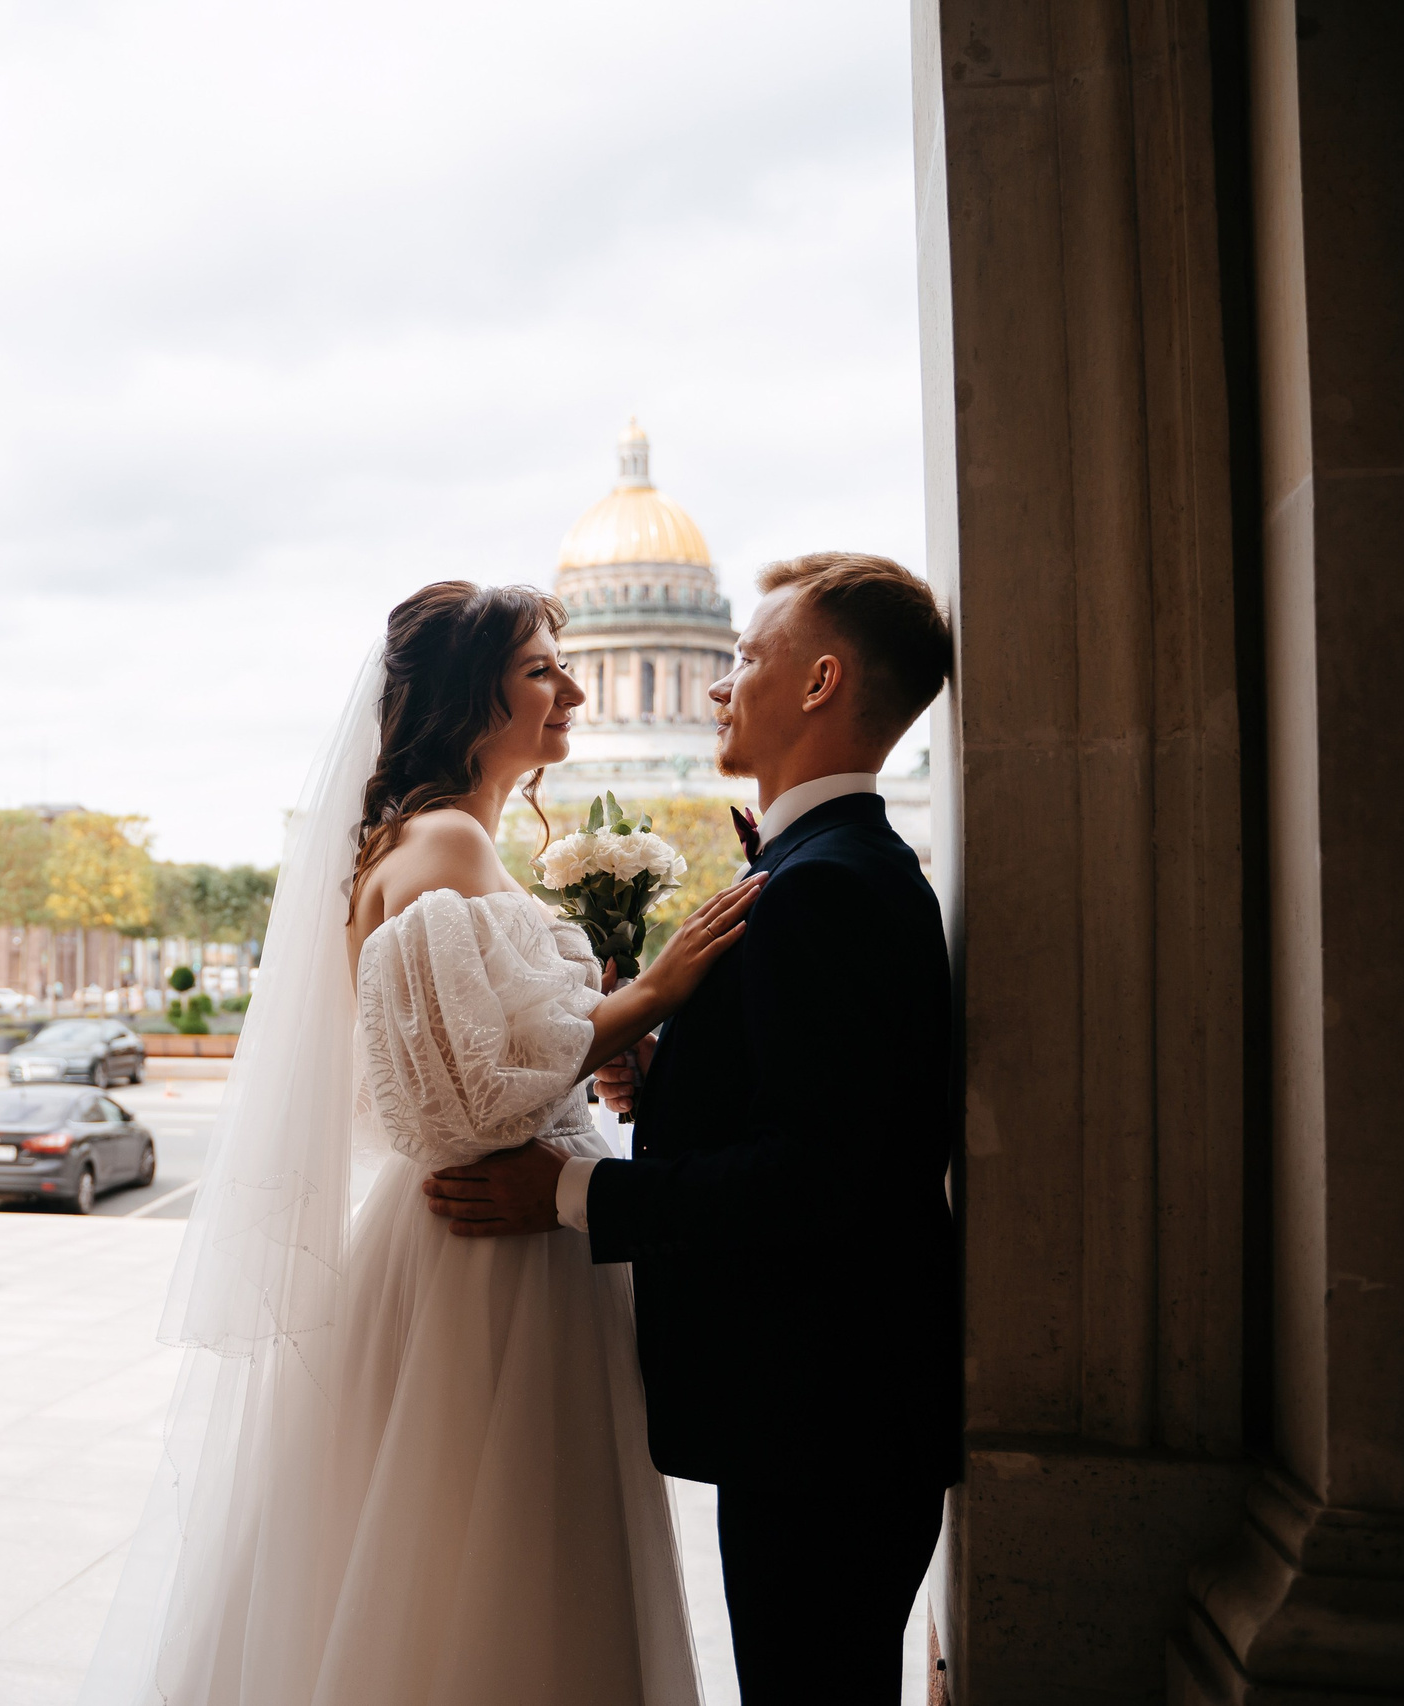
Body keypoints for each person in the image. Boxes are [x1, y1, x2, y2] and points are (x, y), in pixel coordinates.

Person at [82, 583, 762, 1706]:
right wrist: (656, 988)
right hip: (495, 1247)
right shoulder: (445, 840)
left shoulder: (436, 836)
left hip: (473, 1233)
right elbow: (473, 1104)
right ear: (466, 695)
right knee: (508, 1563)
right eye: (544, 668)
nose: (575, 689)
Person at [423, 552, 960, 1702]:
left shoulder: (824, 885)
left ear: (819, 683)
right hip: (831, 1417)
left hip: (822, 1423)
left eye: (744, 659)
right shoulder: (830, 866)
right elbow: (819, 1112)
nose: (718, 688)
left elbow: (819, 1180)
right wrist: (666, 1085)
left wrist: (562, 1194)